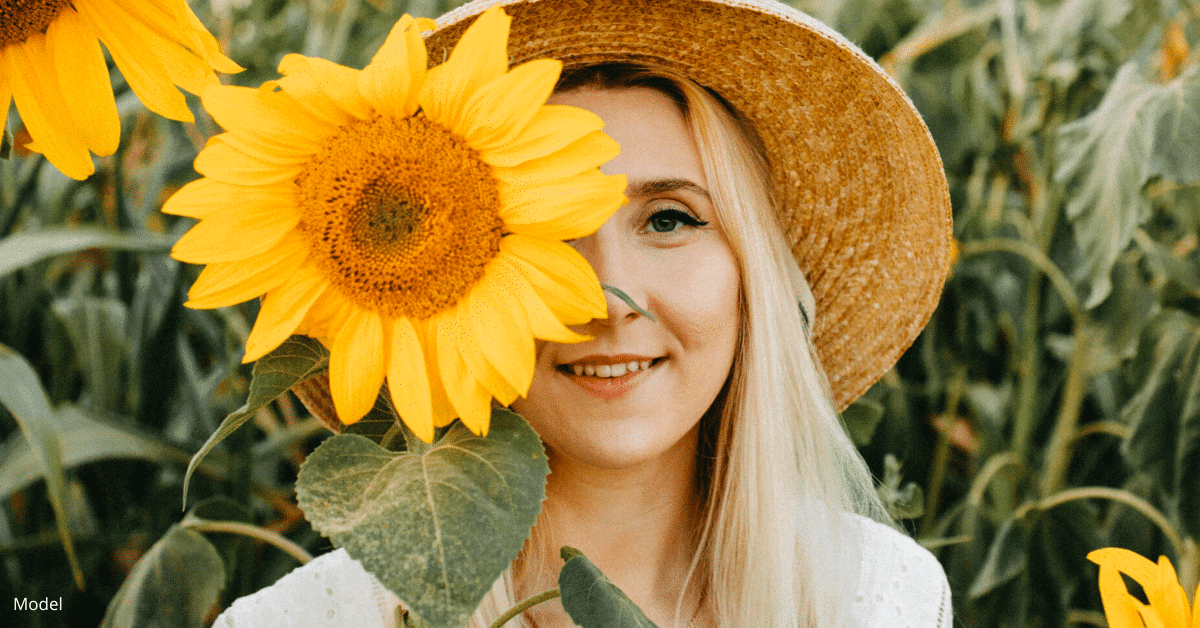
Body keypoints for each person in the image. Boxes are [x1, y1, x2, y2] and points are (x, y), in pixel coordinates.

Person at [215, 0, 954, 627]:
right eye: (546, 236)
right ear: (446, 280)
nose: (607, 300)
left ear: (751, 272)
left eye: (669, 220)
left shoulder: (875, 597)